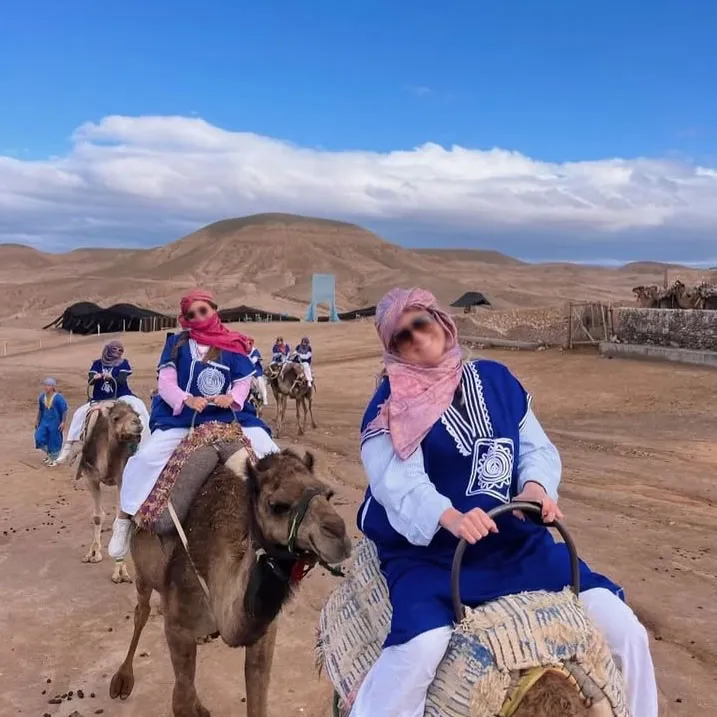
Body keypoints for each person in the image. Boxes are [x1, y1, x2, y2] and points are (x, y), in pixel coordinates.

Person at [349, 288, 658, 717]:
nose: (417, 337)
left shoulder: (496, 380)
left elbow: (535, 448)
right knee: (420, 648)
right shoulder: (387, 409)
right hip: (434, 557)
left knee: (625, 630)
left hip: (515, 543)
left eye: (421, 322)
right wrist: (450, 516)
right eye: (402, 336)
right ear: (392, 349)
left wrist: (536, 489)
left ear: (442, 321)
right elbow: (396, 482)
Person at [107, 289, 279, 560]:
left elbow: (243, 381)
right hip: (183, 417)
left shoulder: (231, 344)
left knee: (272, 454)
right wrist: (186, 400)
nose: (198, 317)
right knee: (145, 459)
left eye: (203, 311)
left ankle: (280, 520)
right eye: (191, 314)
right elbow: (165, 383)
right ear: (185, 318)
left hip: (228, 416)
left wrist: (232, 397)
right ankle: (124, 518)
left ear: (214, 310)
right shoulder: (176, 344)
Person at [56, 340, 151, 464]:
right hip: (100, 398)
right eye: (115, 350)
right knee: (79, 413)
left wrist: (111, 378)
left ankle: (147, 441)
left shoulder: (123, 363)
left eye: (120, 350)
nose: (118, 352)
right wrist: (95, 378)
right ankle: (70, 446)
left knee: (139, 407)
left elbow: (122, 380)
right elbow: (91, 378)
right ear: (108, 350)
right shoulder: (97, 364)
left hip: (121, 395)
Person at [34, 377, 68, 466]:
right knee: (39, 437)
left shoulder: (58, 398)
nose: (46, 387)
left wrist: (63, 422)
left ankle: (54, 458)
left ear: (53, 387)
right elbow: (41, 409)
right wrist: (38, 419)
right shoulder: (42, 396)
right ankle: (50, 454)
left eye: (48, 385)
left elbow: (64, 410)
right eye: (45, 385)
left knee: (54, 440)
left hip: (55, 422)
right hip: (44, 420)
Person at [247, 337, 269, 406]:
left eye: (249, 343)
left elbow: (253, 361)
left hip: (256, 370)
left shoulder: (255, 351)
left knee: (260, 380)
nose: (247, 345)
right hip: (246, 371)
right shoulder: (242, 351)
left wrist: (245, 360)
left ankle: (264, 397)